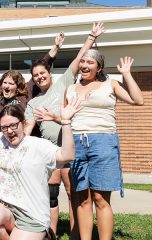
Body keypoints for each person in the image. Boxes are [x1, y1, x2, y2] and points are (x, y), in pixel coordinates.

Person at [24, 22, 106, 239]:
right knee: (50, 197)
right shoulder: (33, 103)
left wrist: (91, 37)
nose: (40, 77)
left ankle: (75, 235)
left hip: (70, 151)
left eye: (42, 73)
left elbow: (79, 60)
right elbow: (29, 127)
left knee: (74, 196)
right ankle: (50, 234)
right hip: (51, 155)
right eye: (35, 75)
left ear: (49, 73)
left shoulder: (63, 84)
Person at [0, 84, 81, 240]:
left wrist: (65, 121)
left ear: (23, 123)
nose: (9, 131)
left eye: (13, 125)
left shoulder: (37, 145)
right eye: (4, 127)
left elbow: (67, 155)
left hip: (32, 214)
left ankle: (42, 234)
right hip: (4, 208)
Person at [64, 51, 144, 240]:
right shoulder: (69, 89)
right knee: (83, 199)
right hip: (77, 143)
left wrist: (126, 74)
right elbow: (66, 116)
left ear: (99, 67)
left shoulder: (111, 84)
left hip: (103, 142)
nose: (84, 65)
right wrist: (54, 117)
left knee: (100, 198)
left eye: (90, 62)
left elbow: (138, 100)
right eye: (82, 61)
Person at [0, 31, 65, 135]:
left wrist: (56, 47)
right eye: (5, 83)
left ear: (17, 87)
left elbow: (42, 66)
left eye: (11, 84)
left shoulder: (26, 94)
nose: (6, 86)